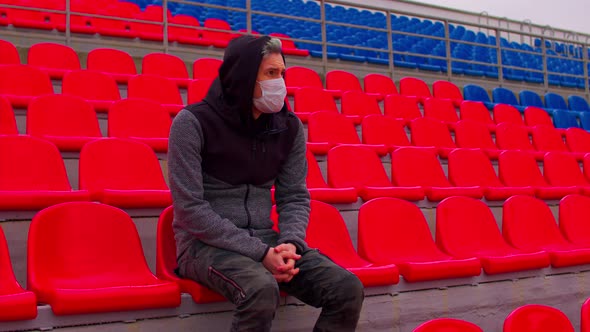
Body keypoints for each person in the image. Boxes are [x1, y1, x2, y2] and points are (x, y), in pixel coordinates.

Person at [168, 35, 364, 332]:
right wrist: (260, 254)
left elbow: (295, 196)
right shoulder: (192, 123)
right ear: (244, 76)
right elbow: (189, 209)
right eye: (271, 74)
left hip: (267, 242)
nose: (280, 83)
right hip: (202, 246)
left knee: (346, 288)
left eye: (282, 74)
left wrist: (290, 243)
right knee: (261, 288)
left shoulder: (289, 127)